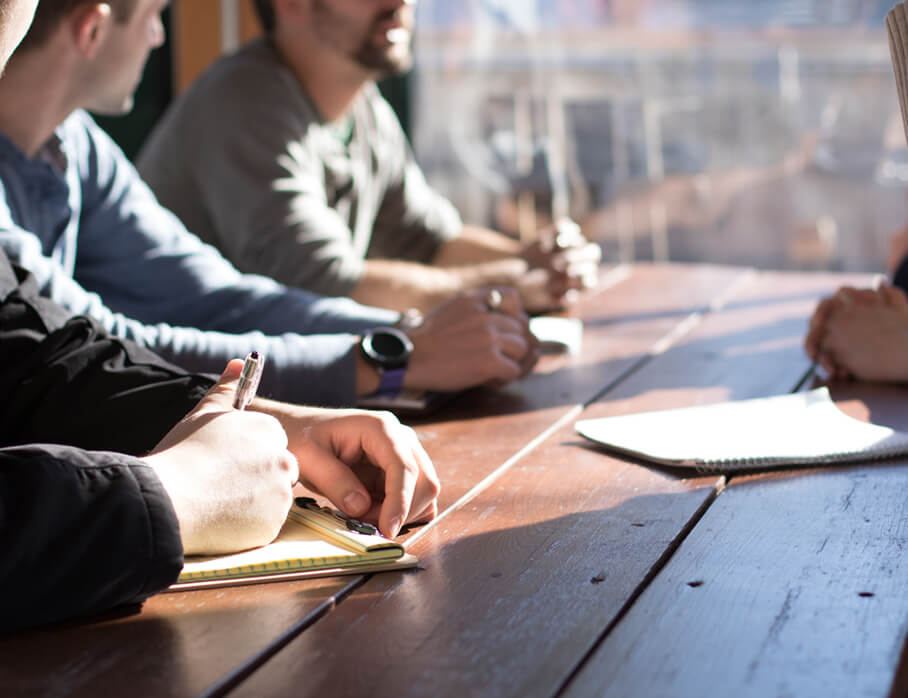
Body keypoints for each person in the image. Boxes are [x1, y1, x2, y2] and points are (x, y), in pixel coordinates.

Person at [0, 0, 538, 408]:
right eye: (153, 13)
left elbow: (216, 296)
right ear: (92, 28)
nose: (159, 36)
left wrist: (403, 330)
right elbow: (105, 351)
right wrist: (393, 358)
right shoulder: (244, 100)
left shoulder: (75, 142)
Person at [136, 0, 602, 315]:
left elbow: (430, 240)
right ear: (291, 4)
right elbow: (327, 287)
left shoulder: (362, 105)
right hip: (192, 400)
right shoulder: (243, 104)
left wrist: (536, 257)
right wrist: (515, 282)